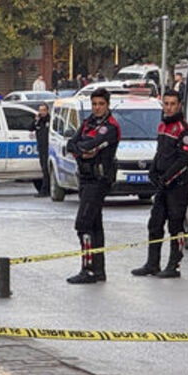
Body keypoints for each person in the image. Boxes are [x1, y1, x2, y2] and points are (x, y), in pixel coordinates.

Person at [132, 90, 188, 278]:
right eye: (166, 104)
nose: (169, 107)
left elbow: (183, 160)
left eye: (172, 104)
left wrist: (166, 177)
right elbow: (161, 153)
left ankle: (174, 265)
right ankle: (152, 264)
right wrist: (153, 171)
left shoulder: (185, 130)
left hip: (178, 184)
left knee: (175, 226)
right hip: (162, 185)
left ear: (179, 105)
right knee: (155, 224)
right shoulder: (162, 126)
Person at [65, 88, 120, 284]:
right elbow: (71, 144)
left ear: (107, 104)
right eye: (94, 104)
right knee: (95, 225)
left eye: (101, 104)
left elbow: (91, 146)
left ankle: (88, 269)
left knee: (83, 224)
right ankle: (98, 271)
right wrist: (81, 150)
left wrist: (82, 148)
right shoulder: (88, 122)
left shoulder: (111, 127)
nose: (97, 108)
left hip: (99, 180)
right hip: (85, 177)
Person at [32, 104, 51, 197]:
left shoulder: (50, 120)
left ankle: (45, 190)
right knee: (44, 169)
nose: (42, 112)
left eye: (43, 110)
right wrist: (36, 120)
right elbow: (30, 127)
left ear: (47, 110)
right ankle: (46, 189)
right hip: (41, 148)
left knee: (47, 169)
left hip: (49, 148)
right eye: (40, 110)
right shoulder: (39, 121)